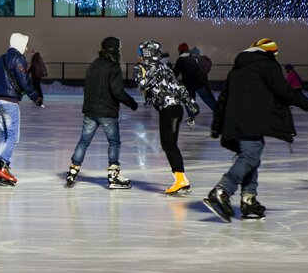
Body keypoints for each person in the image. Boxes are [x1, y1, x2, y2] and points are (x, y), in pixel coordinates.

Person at [204, 37, 308, 222]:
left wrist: (217, 126)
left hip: (236, 122)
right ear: (269, 52)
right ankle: (222, 190)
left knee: (252, 157)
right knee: (250, 156)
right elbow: (283, 90)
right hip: (251, 122)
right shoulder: (267, 65)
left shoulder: (237, 68)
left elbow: (223, 99)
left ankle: (248, 199)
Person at [67, 36, 138, 189]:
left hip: (91, 111)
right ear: (115, 49)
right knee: (114, 142)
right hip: (107, 111)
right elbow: (118, 92)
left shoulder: (93, 65)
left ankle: (73, 169)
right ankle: (113, 175)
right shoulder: (113, 67)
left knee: (84, 141)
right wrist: (132, 103)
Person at [135, 41, 200, 195]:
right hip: (177, 109)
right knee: (171, 144)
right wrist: (190, 104)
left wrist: (149, 74)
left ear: (147, 53)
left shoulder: (142, 68)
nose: (138, 55)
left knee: (168, 144)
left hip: (168, 110)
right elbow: (178, 87)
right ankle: (181, 179)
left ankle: (181, 180)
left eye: (140, 52)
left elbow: (142, 84)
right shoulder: (165, 67)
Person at [0, 32, 42, 185]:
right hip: (10, 102)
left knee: (4, 135)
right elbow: (24, 81)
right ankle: (3, 166)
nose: (26, 48)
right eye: (24, 44)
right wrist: (35, 96)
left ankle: (2, 167)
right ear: (19, 44)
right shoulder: (18, 59)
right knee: (13, 136)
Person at [191, 46, 218, 111]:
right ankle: (217, 109)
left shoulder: (196, 60)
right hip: (203, 81)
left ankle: (216, 110)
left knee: (205, 98)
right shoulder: (203, 59)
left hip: (198, 82)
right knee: (208, 96)